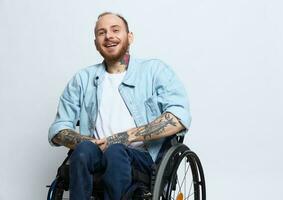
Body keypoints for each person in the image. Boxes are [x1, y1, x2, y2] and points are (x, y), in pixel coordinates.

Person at [48, 12, 191, 200]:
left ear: (129, 37)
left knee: (115, 151)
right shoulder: (82, 79)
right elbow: (59, 128)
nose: (108, 36)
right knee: (82, 150)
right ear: (96, 43)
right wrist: (85, 141)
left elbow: (178, 116)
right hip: (97, 155)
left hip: (144, 158)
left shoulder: (155, 71)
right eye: (102, 32)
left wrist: (125, 137)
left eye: (115, 30)